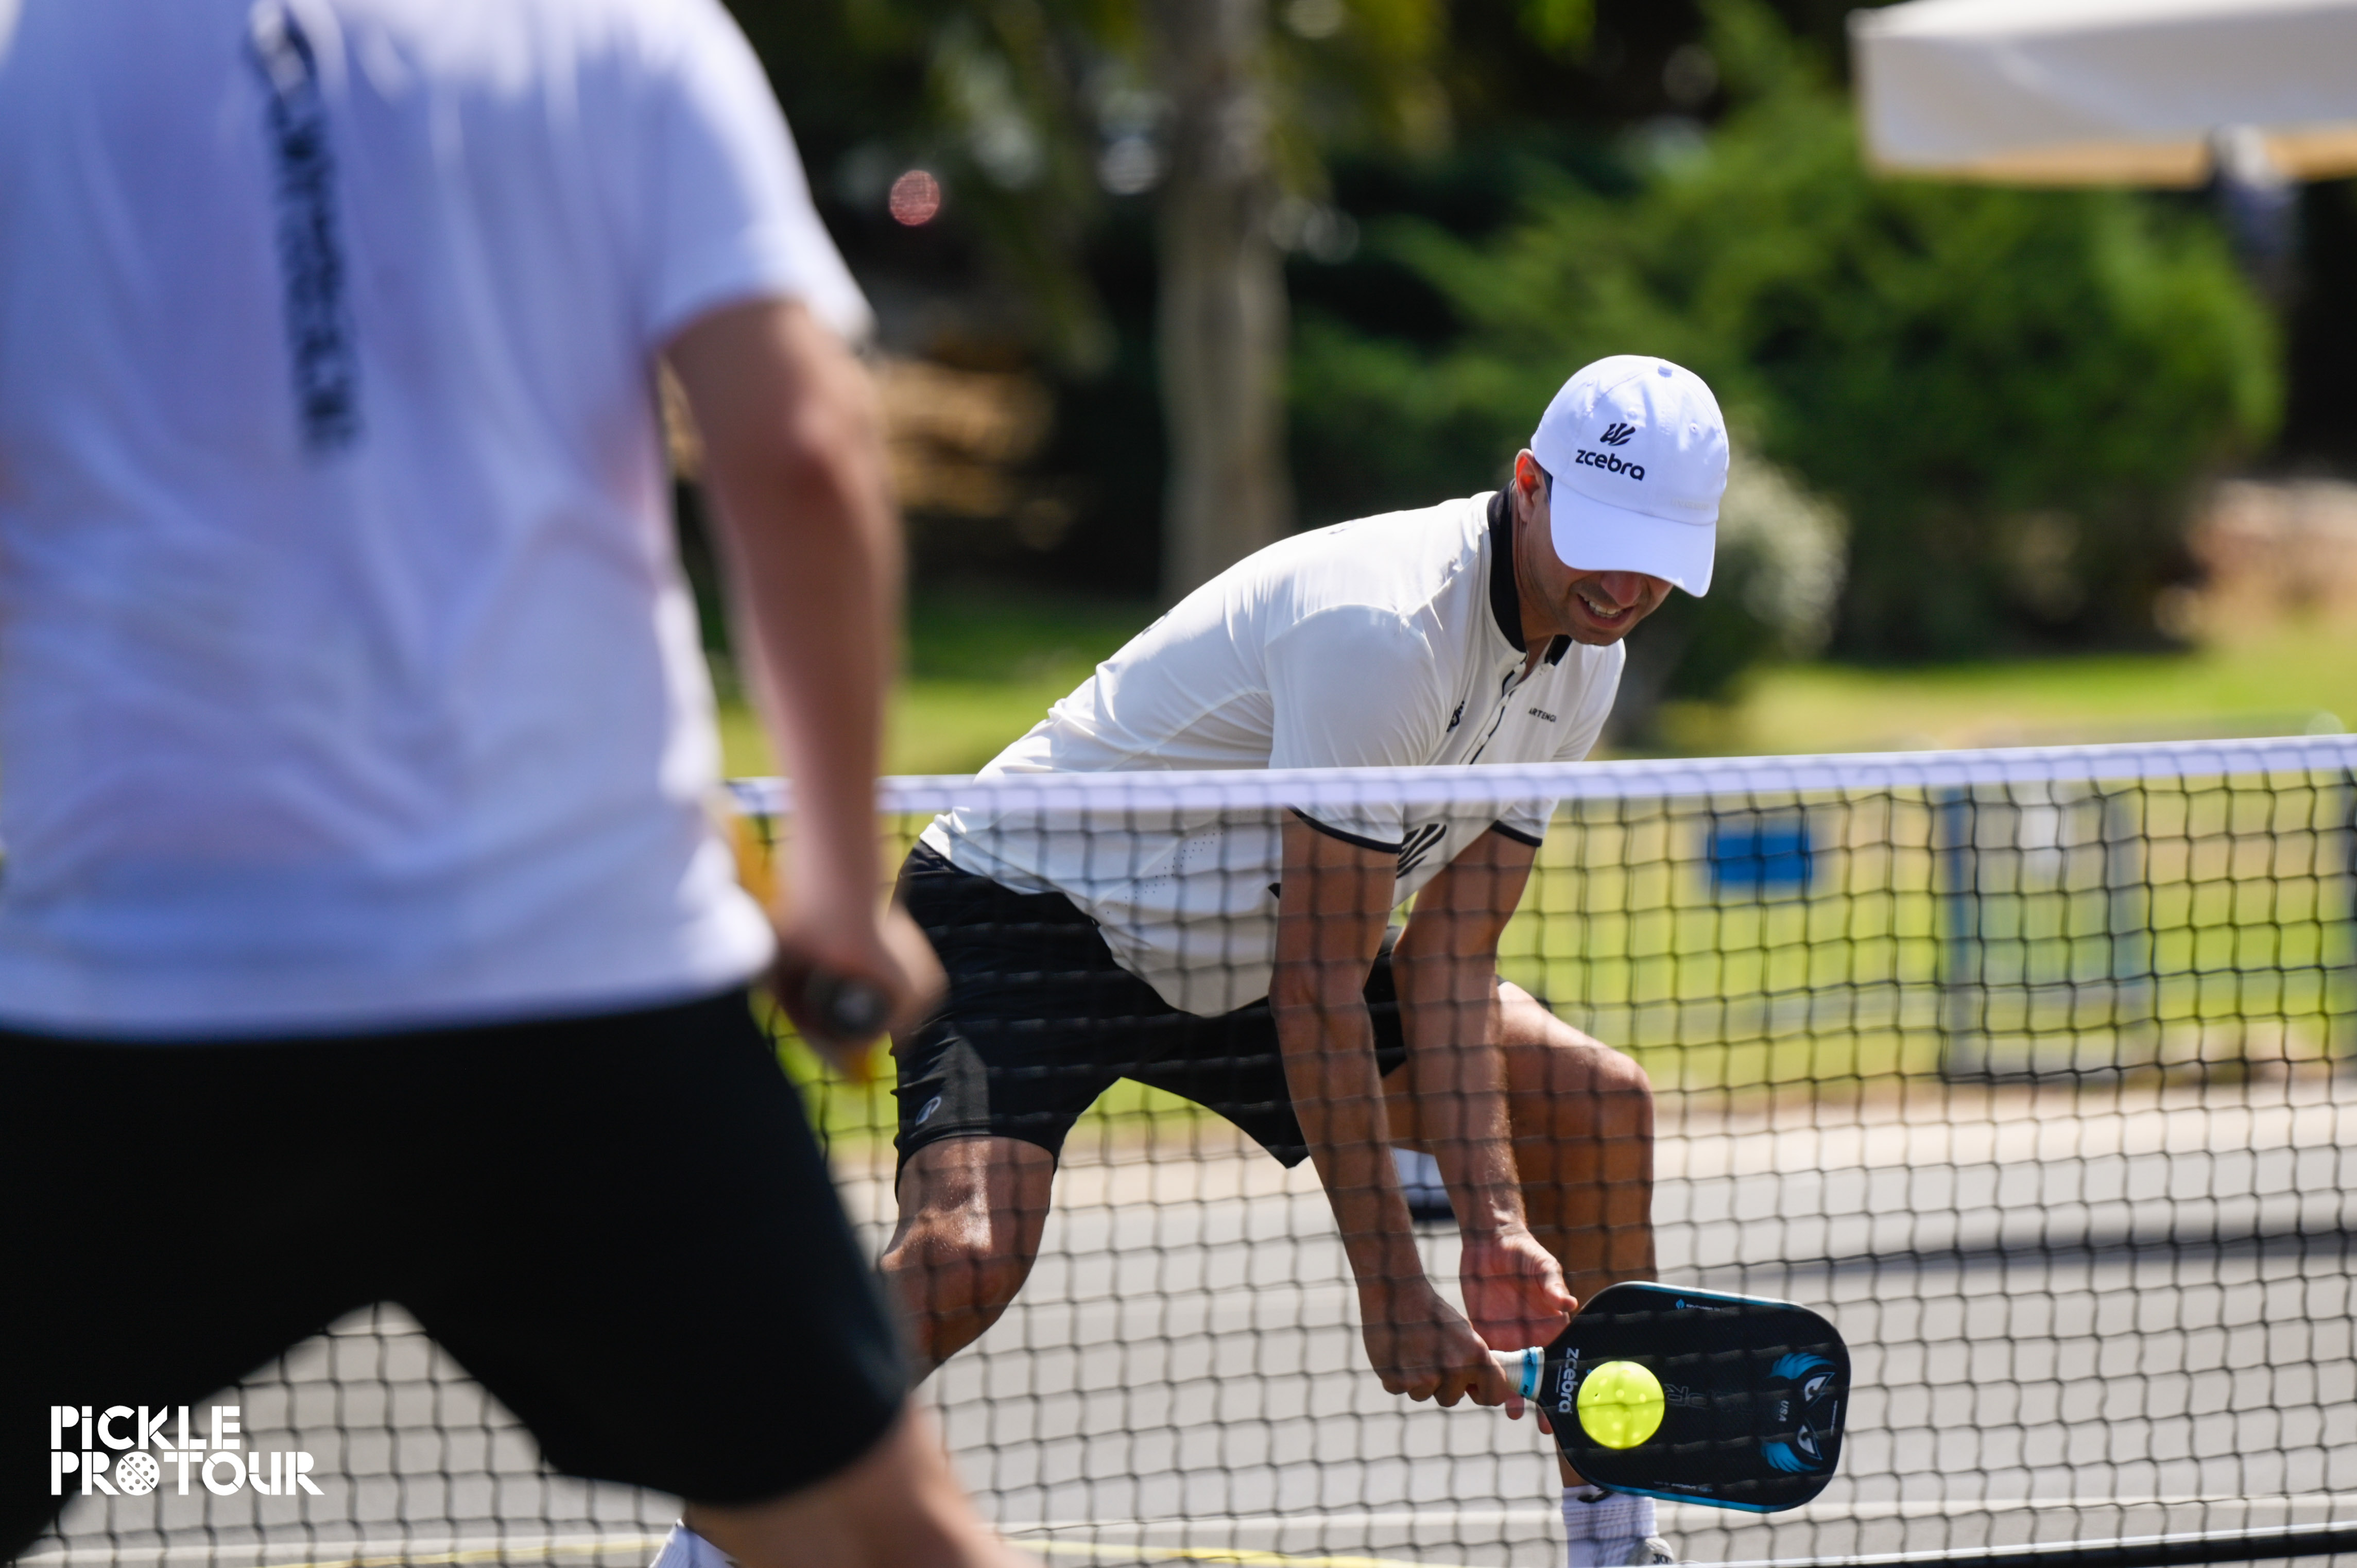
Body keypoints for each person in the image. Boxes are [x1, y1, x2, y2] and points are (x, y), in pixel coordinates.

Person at [0, 3, 1019, 1566]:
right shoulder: (624, 33)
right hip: (583, 995)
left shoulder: (33, 56)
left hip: (131, 1001)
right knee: (885, 1542)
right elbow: (804, 450)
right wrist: (831, 880)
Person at [882, 355, 1729, 1568]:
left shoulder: (1589, 661)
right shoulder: (1386, 625)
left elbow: (1450, 962)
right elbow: (1321, 986)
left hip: (1248, 940)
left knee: (1593, 1106)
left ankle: (1616, 1549)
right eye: (1605, 540)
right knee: (967, 1255)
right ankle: (717, 1533)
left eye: (1658, 555)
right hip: (1030, 911)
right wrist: (1393, 1285)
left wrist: (1493, 1225)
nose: (1625, 584)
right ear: (1529, 484)